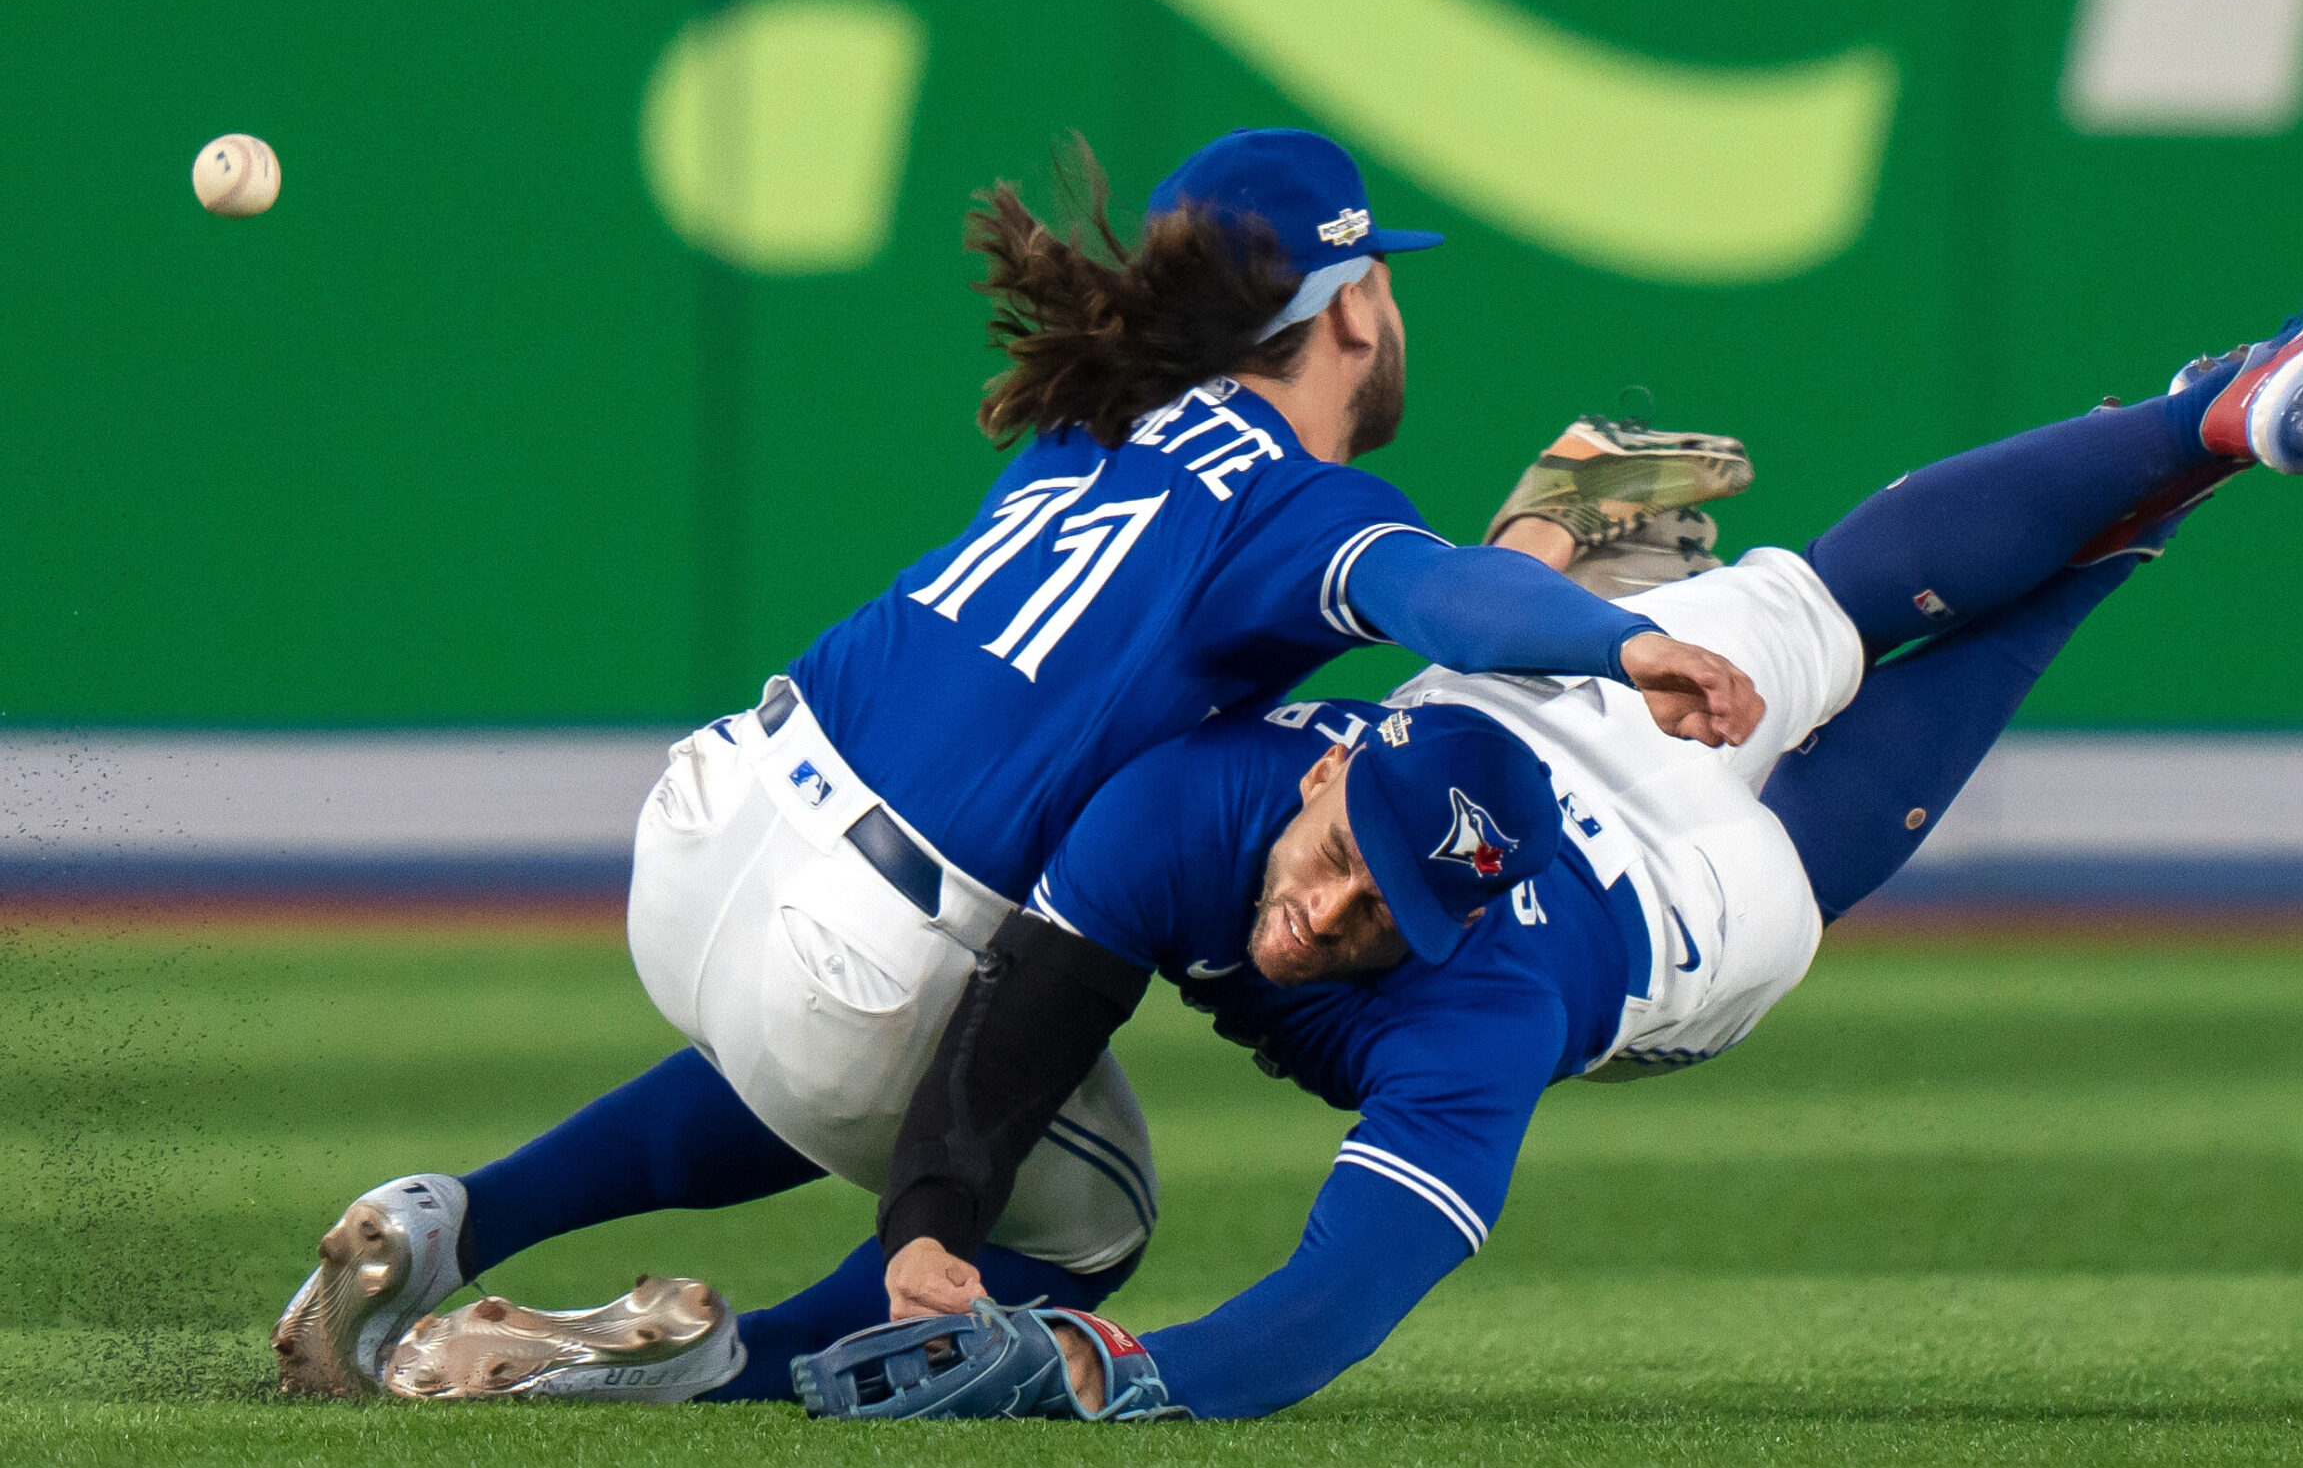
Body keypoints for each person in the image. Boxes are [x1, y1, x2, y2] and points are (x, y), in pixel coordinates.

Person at [354, 243, 2303, 1412]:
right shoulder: (1234, 799)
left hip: (1676, 891)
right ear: (1320, 759)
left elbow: (1343, 1283)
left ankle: (2186, 446)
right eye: (1324, 864)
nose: (1302, 925)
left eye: (1350, 919)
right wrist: (967, 1233)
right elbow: (1021, 1016)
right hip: (1551, 687)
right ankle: (2189, 431)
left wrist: (1125, 1370)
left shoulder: (1475, 984)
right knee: (1865, 599)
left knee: (1908, 649)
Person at [270, 126, 1761, 1399]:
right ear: (1356, 306)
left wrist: (1546, 538)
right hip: (866, 938)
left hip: (712, 824)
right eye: (1383, 283)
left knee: (844, 1056)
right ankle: (701, 1365)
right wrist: (1612, 639)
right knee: (1081, 1225)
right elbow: (1440, 602)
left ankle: (451, 1220)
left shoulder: (1085, 426)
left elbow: (1446, 596)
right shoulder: (1293, 508)